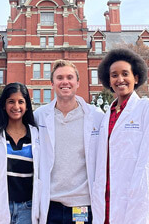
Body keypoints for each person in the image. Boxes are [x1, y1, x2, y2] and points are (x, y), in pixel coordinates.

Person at [92, 48, 149, 224]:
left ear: (136, 77)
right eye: (114, 75)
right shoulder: (106, 117)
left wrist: (138, 215)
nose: (120, 79)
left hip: (139, 207)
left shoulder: (148, 109)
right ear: (108, 81)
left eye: (125, 73)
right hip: (107, 207)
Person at [34, 60, 104, 224]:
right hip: (50, 205)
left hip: (82, 205)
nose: (65, 81)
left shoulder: (96, 116)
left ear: (77, 83)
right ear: (52, 83)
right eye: (59, 78)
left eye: (70, 77)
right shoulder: (39, 116)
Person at [0, 82, 40, 224]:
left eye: (21, 102)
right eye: (11, 102)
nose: (16, 107)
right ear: (3, 105)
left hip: (27, 209)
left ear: (27, 106)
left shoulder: (36, 135)